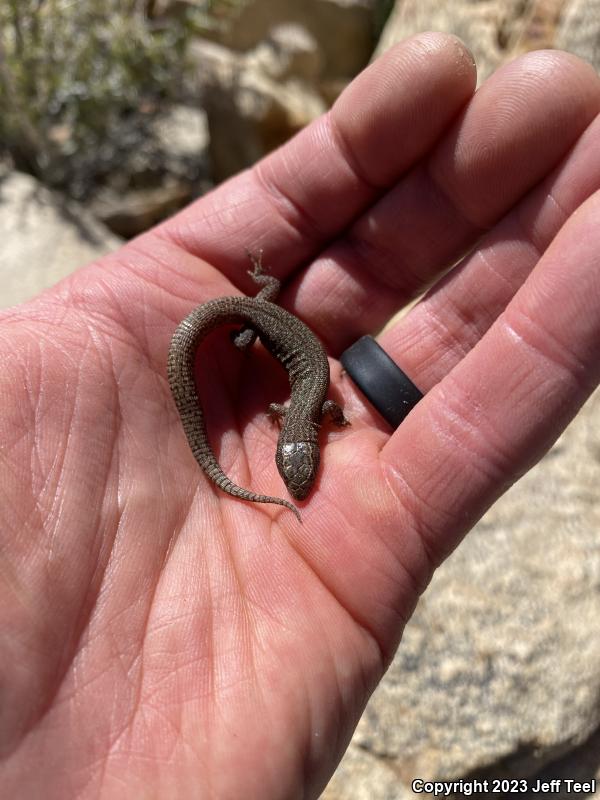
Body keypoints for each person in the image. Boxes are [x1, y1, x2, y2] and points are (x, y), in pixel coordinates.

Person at [2, 32, 600, 799]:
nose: (304, 473)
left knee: (252, 324)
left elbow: (305, 399)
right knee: (242, 329)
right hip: (252, 321)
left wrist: (259, 324)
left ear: (295, 444)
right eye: (302, 467)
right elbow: (308, 400)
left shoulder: (304, 410)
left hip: (258, 318)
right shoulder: (306, 410)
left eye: (300, 467)